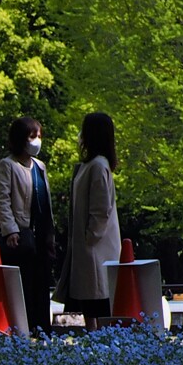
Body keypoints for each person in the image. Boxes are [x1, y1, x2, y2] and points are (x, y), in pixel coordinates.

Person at [54, 112, 121, 332]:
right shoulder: (91, 166)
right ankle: (94, 335)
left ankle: (97, 336)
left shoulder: (98, 166)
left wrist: (89, 237)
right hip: (88, 245)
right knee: (90, 296)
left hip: (95, 246)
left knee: (97, 294)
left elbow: (101, 210)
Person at [0, 116, 56, 333]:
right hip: (20, 234)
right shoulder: (7, 165)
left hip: (42, 234)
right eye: (32, 136)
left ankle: (43, 328)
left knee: (42, 282)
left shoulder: (40, 166)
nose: (37, 141)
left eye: (39, 136)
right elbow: (2, 199)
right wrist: (10, 229)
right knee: (25, 283)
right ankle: (24, 327)